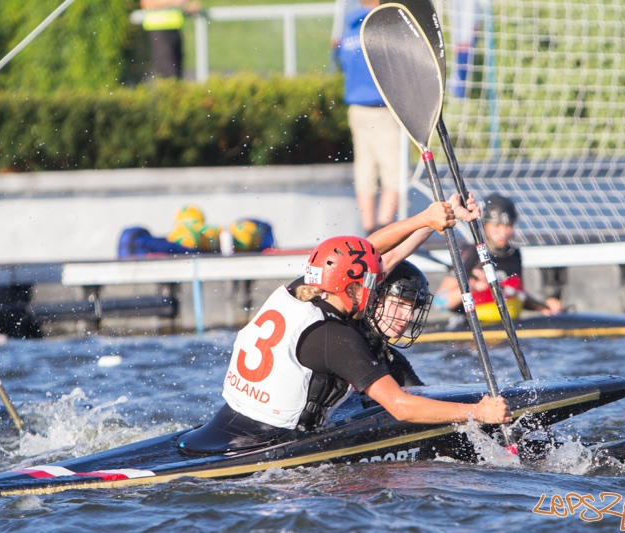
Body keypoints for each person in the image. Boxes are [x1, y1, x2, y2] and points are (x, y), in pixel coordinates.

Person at [177, 233, 510, 455]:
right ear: (352, 289)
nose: (374, 291)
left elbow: (361, 252)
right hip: (263, 443)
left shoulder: (300, 291)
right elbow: (402, 407)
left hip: (220, 426)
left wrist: (428, 221)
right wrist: (478, 412)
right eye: (371, 285)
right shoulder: (338, 337)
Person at [434, 193, 564, 326]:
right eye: (496, 226)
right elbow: (439, 303)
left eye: (508, 225)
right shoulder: (472, 254)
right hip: (475, 328)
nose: (503, 232)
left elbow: (517, 296)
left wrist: (544, 307)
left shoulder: (514, 255)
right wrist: (471, 286)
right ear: (485, 225)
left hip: (509, 327)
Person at [337, 0, 402, 234]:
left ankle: (368, 229)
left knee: (365, 169)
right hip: (381, 109)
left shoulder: (349, 32)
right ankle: (384, 229)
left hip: (357, 109)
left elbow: (342, 63)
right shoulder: (382, 30)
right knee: (396, 172)